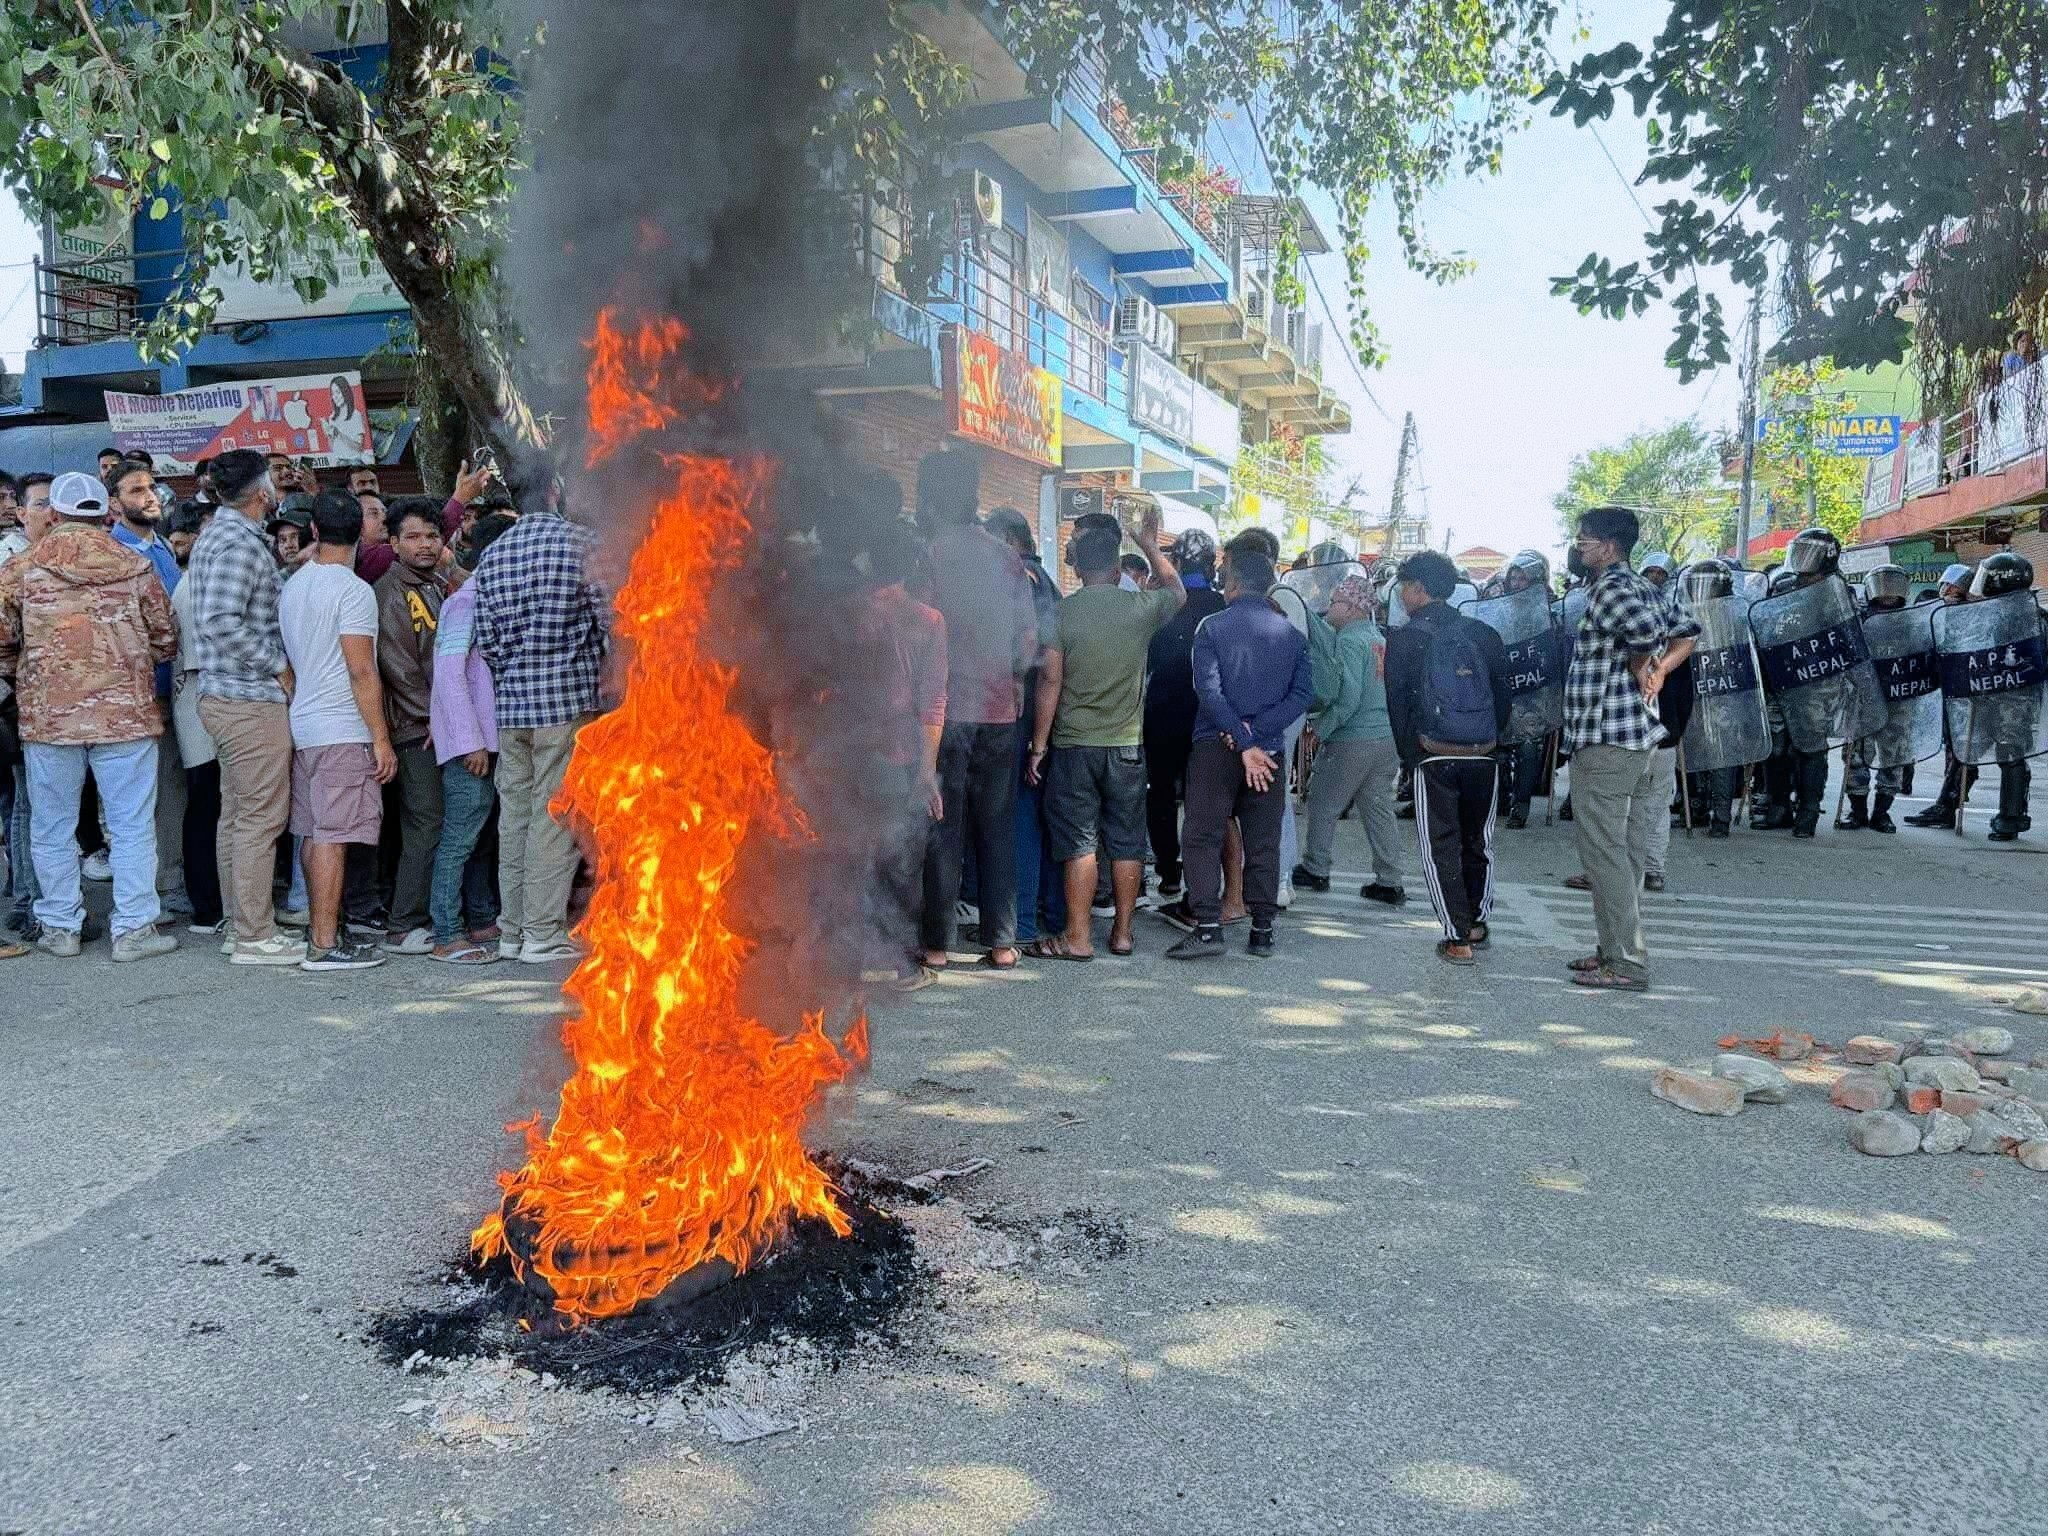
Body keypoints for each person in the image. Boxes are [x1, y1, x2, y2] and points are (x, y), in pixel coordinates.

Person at [0, 471, 179, 960]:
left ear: (54, 514)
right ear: (107, 513)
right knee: (131, 824)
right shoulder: (136, 566)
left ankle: (60, 926)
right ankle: (134, 929)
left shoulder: (20, 569)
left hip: (49, 721)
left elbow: (1, 643)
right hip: (127, 718)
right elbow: (166, 638)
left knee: (52, 825)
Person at [1028, 501, 1185, 960]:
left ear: (1076, 567)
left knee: (1079, 842)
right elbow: (1177, 592)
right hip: (1126, 746)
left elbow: (1049, 681)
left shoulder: (1060, 613)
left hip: (1074, 745)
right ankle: (1122, 933)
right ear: (1118, 566)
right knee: (1126, 840)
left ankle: (1076, 937)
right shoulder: (1139, 606)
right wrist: (1151, 547)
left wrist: (1038, 746)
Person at [1558, 507, 1699, 991]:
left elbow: (1644, 635)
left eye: (1584, 540)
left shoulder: (1614, 588)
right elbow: (1688, 632)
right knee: (1626, 854)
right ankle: (1613, 948)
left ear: (1609, 546)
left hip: (1606, 738)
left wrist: (1647, 666)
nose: (1579, 547)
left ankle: (1626, 961)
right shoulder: (1646, 586)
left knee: (1604, 855)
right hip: (1635, 738)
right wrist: (1660, 670)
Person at [472, 470, 608, 965]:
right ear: (556, 491)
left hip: (513, 706)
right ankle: (542, 932)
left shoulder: (492, 554)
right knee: (555, 817)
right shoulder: (579, 544)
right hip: (567, 701)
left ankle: (512, 930)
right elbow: (611, 619)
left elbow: (484, 640)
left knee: (516, 818)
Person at [915, 450, 1037, 971]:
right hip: (999, 713)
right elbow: (1029, 638)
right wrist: (1012, 682)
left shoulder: (929, 555)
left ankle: (938, 945)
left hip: (946, 716)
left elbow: (922, 627)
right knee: (997, 826)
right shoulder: (1007, 559)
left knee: (944, 827)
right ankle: (1002, 943)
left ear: (931, 497)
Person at [188, 448, 304, 966]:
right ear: (262, 492)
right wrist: (277, 664)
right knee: (259, 819)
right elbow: (219, 619)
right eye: (274, 481)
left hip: (228, 697)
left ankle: (243, 927)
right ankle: (255, 936)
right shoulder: (236, 541)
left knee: (238, 817)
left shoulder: (228, 535)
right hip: (248, 699)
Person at [1166, 546, 1307, 960]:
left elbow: (1207, 690)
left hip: (1215, 746)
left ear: (1232, 582)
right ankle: (1261, 930)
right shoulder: (1292, 636)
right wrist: (1257, 735)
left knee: (1201, 836)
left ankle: (1208, 927)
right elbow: (1302, 694)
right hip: (1269, 753)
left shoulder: (1212, 628)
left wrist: (1238, 736)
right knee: (1263, 840)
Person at [279, 490, 395, 971]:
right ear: (364, 535)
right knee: (333, 834)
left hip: (304, 720)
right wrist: (381, 738)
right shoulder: (353, 591)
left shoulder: (295, 584)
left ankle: (322, 930)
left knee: (312, 832)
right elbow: (361, 670)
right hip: (342, 726)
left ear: (312, 532)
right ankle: (325, 943)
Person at [1384, 550, 1511, 965]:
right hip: (1483, 752)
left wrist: (1411, 758)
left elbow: (1398, 708)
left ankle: (1457, 935)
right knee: (1479, 841)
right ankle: (1476, 921)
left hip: (1433, 754)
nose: (1402, 595)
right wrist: (1491, 740)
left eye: (1404, 587)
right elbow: (1503, 699)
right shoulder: (1483, 634)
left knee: (1441, 843)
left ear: (1419, 589)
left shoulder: (1405, 639)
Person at [426, 511, 516, 963]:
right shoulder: (465, 602)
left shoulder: (486, 596)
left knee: (481, 837)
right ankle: (446, 933)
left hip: (488, 741)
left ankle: (481, 920)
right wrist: (470, 743)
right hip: (472, 745)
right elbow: (448, 673)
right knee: (460, 838)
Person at [1293, 572, 1406, 905]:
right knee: (1378, 809)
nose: (1329, 609)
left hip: (1352, 738)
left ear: (1354, 607)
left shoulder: (1347, 641)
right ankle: (1389, 880)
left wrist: (1320, 730)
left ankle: (1316, 868)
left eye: (1335, 602)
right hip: (1385, 739)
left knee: (1324, 803)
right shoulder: (1378, 639)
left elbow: (1348, 696)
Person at [108, 458, 189, 916]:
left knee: (174, 787)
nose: (149, 496)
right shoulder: (117, 556)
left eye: (150, 487)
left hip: (175, 687)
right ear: (114, 502)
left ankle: (170, 876)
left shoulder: (159, 548)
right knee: (156, 793)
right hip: (144, 695)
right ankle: (163, 884)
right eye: (136, 490)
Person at [374, 497, 450, 953]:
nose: (425, 545)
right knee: (426, 822)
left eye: (432, 536)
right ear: (394, 542)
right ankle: (404, 923)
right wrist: (434, 718)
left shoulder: (434, 583)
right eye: (414, 537)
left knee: (431, 821)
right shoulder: (390, 591)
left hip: (436, 724)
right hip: (415, 727)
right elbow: (397, 667)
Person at [982, 504, 1060, 948]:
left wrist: (1037, 743)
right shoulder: (1045, 582)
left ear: (1010, 540)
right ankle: (1039, 914)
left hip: (1020, 714)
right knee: (1031, 816)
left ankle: (1022, 922)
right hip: (1035, 717)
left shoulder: (1024, 583)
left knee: (1019, 817)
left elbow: (1048, 664)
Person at [1142, 528, 1228, 905]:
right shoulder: (1222, 604)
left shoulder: (1164, 601)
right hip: (1206, 713)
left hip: (1162, 709)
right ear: (1212, 563)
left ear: (1174, 561)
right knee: (1201, 798)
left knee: (1159, 793)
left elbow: (1148, 655)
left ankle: (1168, 872)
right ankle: (1200, 881)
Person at [2, 474, 58, 942]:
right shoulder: (12, 565)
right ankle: (29, 902)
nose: (52, 512)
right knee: (27, 804)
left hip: (59, 708)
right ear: (21, 512)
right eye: (41, 504)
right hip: (23, 704)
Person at [1905, 563, 1982, 827]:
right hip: (1947, 686)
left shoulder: (1978, 611)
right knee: (1955, 747)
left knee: (1964, 749)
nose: (1951, 589)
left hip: (1970, 688)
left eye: (1957, 585)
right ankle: (1946, 804)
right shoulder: (1936, 610)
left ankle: (1946, 806)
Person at [1840, 563, 1913, 833]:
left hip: (1899, 698)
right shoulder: (1858, 621)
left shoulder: (1912, 620)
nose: (1888, 591)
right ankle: (1857, 811)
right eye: (1883, 583)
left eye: (1893, 583)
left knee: (1894, 755)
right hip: (1864, 699)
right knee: (1856, 755)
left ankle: (1882, 813)